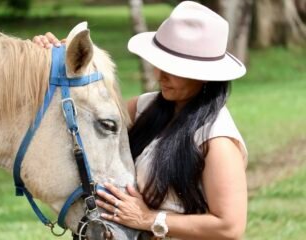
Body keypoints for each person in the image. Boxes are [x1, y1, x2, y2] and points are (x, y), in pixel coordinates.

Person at [33, 1, 248, 239]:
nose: (160, 75)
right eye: (160, 63)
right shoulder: (144, 109)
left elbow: (229, 226)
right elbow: (85, 122)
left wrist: (148, 219)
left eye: (175, 68)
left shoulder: (217, 140)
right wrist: (59, 60)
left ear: (206, 76)